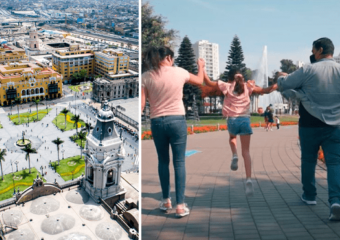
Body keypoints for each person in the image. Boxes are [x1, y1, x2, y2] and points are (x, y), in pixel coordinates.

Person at [141, 46, 220, 218]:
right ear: (168, 58)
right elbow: (200, 81)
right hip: (177, 121)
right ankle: (180, 206)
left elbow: (141, 106)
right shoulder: (179, 72)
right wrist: (201, 66)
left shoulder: (146, 76)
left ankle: (165, 200)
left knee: (163, 162)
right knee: (179, 163)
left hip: (156, 122)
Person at [276, 37, 340, 221]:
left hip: (310, 124)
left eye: (313, 51)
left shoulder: (309, 69)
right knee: (335, 163)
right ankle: (335, 201)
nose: (312, 54)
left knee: (309, 160)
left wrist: (281, 77)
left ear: (319, 50)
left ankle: (310, 196)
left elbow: (284, 84)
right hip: (336, 125)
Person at [203, 68, 277, 196]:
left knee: (232, 138)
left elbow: (208, 82)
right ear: (242, 78)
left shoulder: (226, 86)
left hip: (232, 121)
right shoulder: (248, 87)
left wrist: (202, 67)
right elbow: (266, 90)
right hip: (245, 121)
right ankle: (248, 179)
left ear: (230, 78)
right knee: (246, 152)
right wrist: (278, 83)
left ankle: (234, 155)